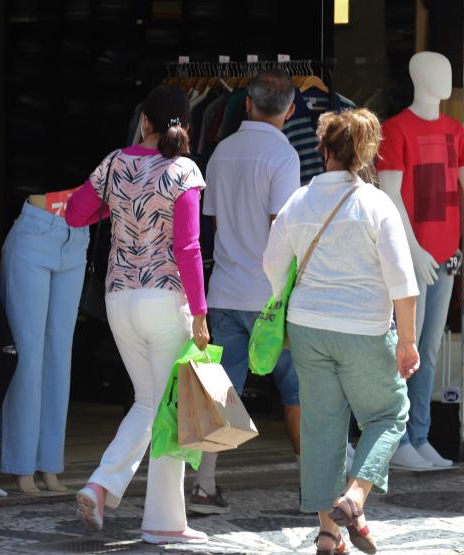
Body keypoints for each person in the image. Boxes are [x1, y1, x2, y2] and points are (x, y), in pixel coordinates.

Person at [263, 108, 420, 555]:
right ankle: (354, 497)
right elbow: (402, 281)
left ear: (325, 150)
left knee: (322, 428)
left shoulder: (299, 201)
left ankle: (329, 534)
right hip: (364, 328)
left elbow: (272, 266)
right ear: (364, 154)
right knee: (389, 413)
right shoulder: (375, 204)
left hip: (307, 328)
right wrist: (407, 340)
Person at [64, 85, 209, 545]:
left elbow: (75, 214)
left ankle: (102, 486)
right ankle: (163, 521)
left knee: (150, 403)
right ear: (184, 125)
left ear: (144, 122)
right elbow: (188, 247)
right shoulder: (184, 170)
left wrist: (118, 199)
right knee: (169, 409)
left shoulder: (115, 163)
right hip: (166, 301)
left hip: (119, 300)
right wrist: (201, 313)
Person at [191, 69, 301, 514]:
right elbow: (283, 232)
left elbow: (214, 222)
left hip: (224, 291)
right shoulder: (285, 157)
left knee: (223, 391)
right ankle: (312, 487)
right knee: (296, 390)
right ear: (291, 111)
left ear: (249, 104)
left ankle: (204, 485)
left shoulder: (220, 152)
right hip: (269, 297)